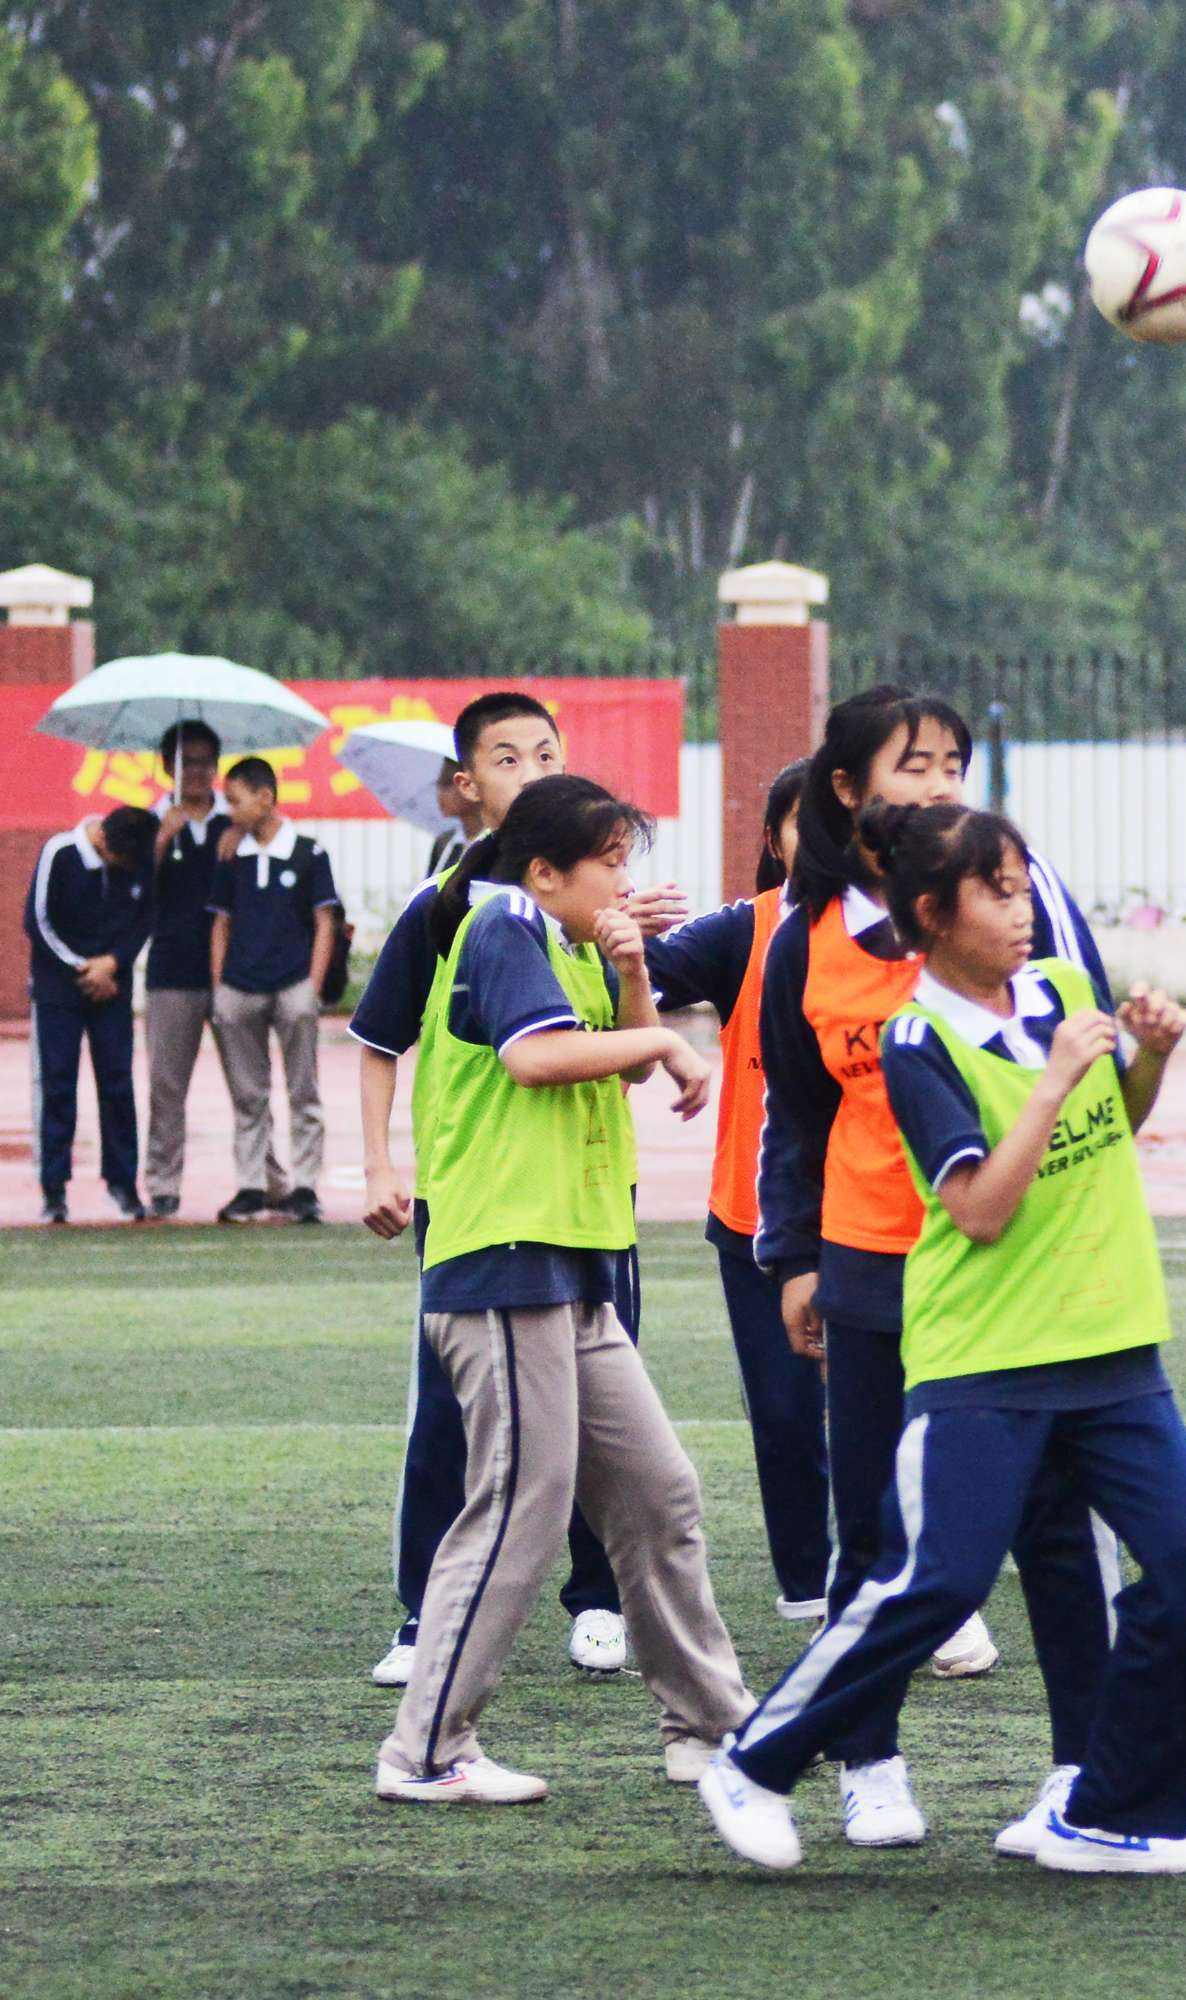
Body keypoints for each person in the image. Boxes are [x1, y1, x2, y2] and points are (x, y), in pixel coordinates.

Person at [703, 805, 1186, 1877]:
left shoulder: (1067, 993)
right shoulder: (917, 1040)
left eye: (1022, 882)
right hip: (986, 1359)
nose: (1024, 905)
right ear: (933, 916)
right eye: (998, 889)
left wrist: (1149, 1061)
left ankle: (1106, 1812)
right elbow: (983, 1207)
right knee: (937, 1582)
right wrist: (1052, 1078)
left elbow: (1114, 1125)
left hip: (1113, 1344)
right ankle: (754, 1758)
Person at [756, 684, 1116, 1847]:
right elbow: (794, 1112)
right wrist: (795, 1258)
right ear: (848, 789)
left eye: (954, 760)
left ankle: (1081, 1773)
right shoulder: (798, 933)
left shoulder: (1025, 892)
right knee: (872, 1531)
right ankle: (869, 1757)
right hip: (875, 1268)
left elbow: (1086, 1050)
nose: (941, 781)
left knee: (1054, 1526)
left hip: (1015, 1267)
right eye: (914, 763)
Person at [375, 775, 750, 1803]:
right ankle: (425, 1750)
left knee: (658, 1489)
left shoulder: (563, 937)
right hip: (503, 1258)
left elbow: (611, 1061)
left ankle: (713, 1729)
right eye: (611, 861)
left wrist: (633, 976)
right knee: (520, 1508)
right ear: (545, 870)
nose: (627, 879)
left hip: (572, 1260)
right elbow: (537, 1056)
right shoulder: (501, 920)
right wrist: (672, 1036)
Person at [355, 691, 678, 1687]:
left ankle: (596, 1600)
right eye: (506, 756)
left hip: (591, 1200)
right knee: (453, 1412)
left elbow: (618, 1060)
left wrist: (633, 963)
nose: (530, 771)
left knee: (597, 1418)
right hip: (480, 1202)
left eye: (547, 752)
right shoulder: (454, 905)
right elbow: (377, 1040)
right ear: (467, 783)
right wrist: (379, 1163)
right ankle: (424, 1614)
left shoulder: (589, 905)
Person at [638, 759, 832, 1621]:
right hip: (758, 1215)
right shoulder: (743, 931)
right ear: (773, 839)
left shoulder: (905, 931)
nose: (821, 840)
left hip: (886, 1215)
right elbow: (641, 980)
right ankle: (810, 1588)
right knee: (789, 1419)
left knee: (903, 1410)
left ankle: (922, 1579)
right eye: (803, 823)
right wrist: (609, 938)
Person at [206, 758, 340, 1225]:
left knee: (304, 1088)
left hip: (292, 986)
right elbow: (220, 923)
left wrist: (313, 987)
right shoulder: (231, 856)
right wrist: (220, 986)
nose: (229, 810)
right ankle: (252, 1184)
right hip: (240, 988)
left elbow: (326, 922)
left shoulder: (308, 853)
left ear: (265, 798)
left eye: (235, 799)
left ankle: (304, 1186)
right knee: (248, 1093)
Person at [24, 804, 159, 1222]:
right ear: (102, 839)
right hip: (58, 989)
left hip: (113, 988)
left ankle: (122, 1184)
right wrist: (82, 967)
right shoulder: (60, 852)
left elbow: (144, 917)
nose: (125, 870)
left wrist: (113, 963)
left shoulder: (138, 854)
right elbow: (38, 920)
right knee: (57, 1083)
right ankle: (53, 1188)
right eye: (118, 862)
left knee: (118, 1084)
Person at [143, 721, 230, 1218]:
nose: (194, 771)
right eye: (184, 761)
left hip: (230, 974)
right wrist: (158, 843)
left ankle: (264, 1181)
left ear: (216, 767)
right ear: (165, 766)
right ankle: (163, 1183)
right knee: (166, 1086)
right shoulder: (150, 823)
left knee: (249, 1084)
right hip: (170, 973)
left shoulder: (235, 826)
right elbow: (133, 896)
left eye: (202, 761)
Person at [426, 758, 483, 879]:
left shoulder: (497, 842)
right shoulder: (444, 843)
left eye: (446, 783)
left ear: (471, 786)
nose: (440, 793)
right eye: (438, 784)